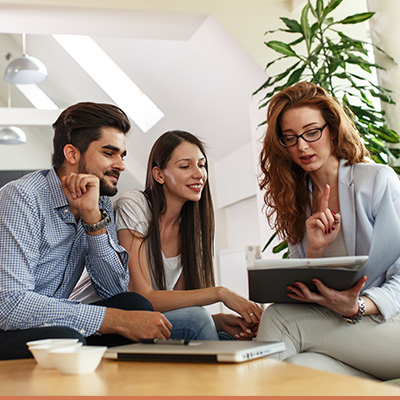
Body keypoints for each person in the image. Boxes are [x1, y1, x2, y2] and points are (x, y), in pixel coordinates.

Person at [0, 102, 193, 360]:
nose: (121, 165)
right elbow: (10, 305)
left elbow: (113, 289)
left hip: (46, 324)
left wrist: (92, 219)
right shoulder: (21, 198)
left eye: (122, 155)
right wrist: (114, 320)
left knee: (136, 306)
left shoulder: (99, 202)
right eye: (109, 153)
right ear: (72, 154)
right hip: (7, 326)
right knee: (67, 340)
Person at [256, 81, 400, 380]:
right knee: (299, 370)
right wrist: (315, 250)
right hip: (349, 336)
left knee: (278, 318)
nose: (302, 146)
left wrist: (358, 306)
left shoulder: (376, 181)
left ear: (332, 129)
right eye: (290, 138)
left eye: (312, 132)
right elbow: (306, 290)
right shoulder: (296, 201)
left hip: (389, 322)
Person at [113, 130, 263, 340]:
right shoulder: (134, 205)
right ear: (159, 175)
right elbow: (143, 297)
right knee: (198, 320)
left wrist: (218, 320)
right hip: (127, 320)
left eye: (201, 165)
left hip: (160, 321)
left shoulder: (193, 227)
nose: (199, 174)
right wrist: (220, 292)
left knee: (234, 335)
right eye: (185, 166)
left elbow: (181, 302)